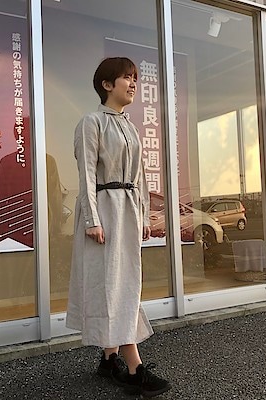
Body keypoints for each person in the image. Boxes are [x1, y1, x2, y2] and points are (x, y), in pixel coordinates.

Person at [66, 57, 171, 397]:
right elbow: (86, 175)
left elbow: (140, 178)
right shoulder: (91, 122)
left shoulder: (130, 127)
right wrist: (91, 220)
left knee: (124, 283)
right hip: (104, 211)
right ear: (107, 85)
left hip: (127, 211)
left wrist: (143, 215)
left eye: (135, 77)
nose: (133, 83)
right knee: (112, 285)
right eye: (127, 77)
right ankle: (135, 368)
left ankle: (109, 358)